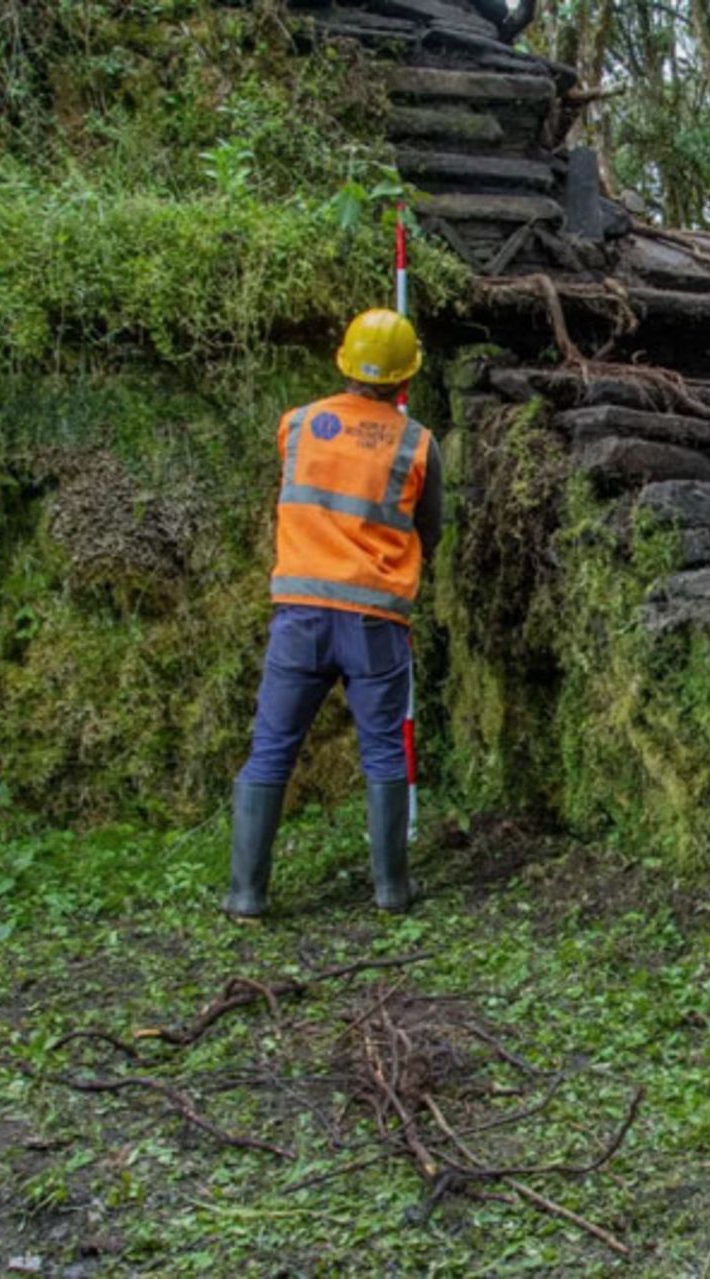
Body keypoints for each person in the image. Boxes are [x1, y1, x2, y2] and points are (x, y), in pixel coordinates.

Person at [224, 309, 444, 919]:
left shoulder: (296, 425)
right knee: (382, 751)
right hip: (375, 618)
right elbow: (433, 531)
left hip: (300, 614)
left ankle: (246, 895)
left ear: (343, 362)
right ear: (406, 380)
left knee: (272, 748)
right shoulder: (416, 442)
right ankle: (392, 891)